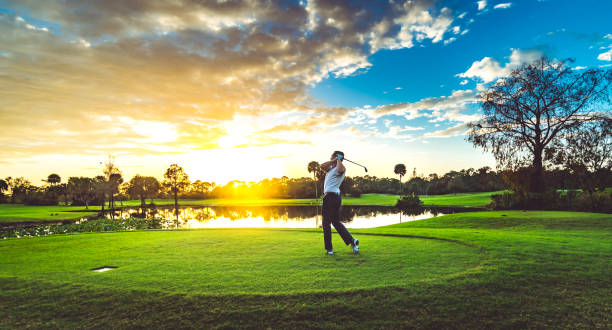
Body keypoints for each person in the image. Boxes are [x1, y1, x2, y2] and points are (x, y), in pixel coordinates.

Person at [320, 151, 359, 255]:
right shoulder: (330, 169)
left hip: (331, 197)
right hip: (333, 197)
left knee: (326, 224)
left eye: (332, 156)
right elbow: (321, 166)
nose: (330, 157)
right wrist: (334, 159)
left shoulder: (340, 168)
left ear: (336, 157)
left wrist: (338, 159)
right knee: (336, 222)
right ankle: (352, 241)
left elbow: (341, 169)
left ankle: (329, 250)